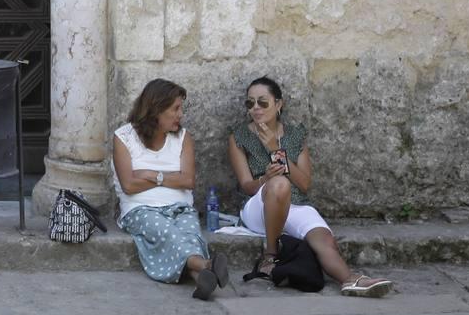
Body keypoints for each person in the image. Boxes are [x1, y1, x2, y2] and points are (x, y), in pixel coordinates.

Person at [228, 76, 392, 298]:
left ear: (278, 104)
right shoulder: (239, 136)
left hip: (295, 204)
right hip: (261, 204)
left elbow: (304, 184)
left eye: (263, 102)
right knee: (279, 184)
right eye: (250, 103)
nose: (255, 108)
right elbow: (247, 186)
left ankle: (351, 280)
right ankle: (270, 255)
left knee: (323, 238)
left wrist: (276, 149)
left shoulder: (295, 135)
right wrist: (265, 178)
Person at [110, 79, 228, 300]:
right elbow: (129, 185)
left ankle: (200, 277)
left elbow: (188, 181)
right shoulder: (124, 138)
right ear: (156, 109)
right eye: (175, 109)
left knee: (190, 235)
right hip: (140, 209)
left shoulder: (183, 138)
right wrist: (172, 178)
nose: (180, 114)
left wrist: (152, 175)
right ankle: (206, 264)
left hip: (181, 206)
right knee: (169, 233)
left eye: (180, 108)